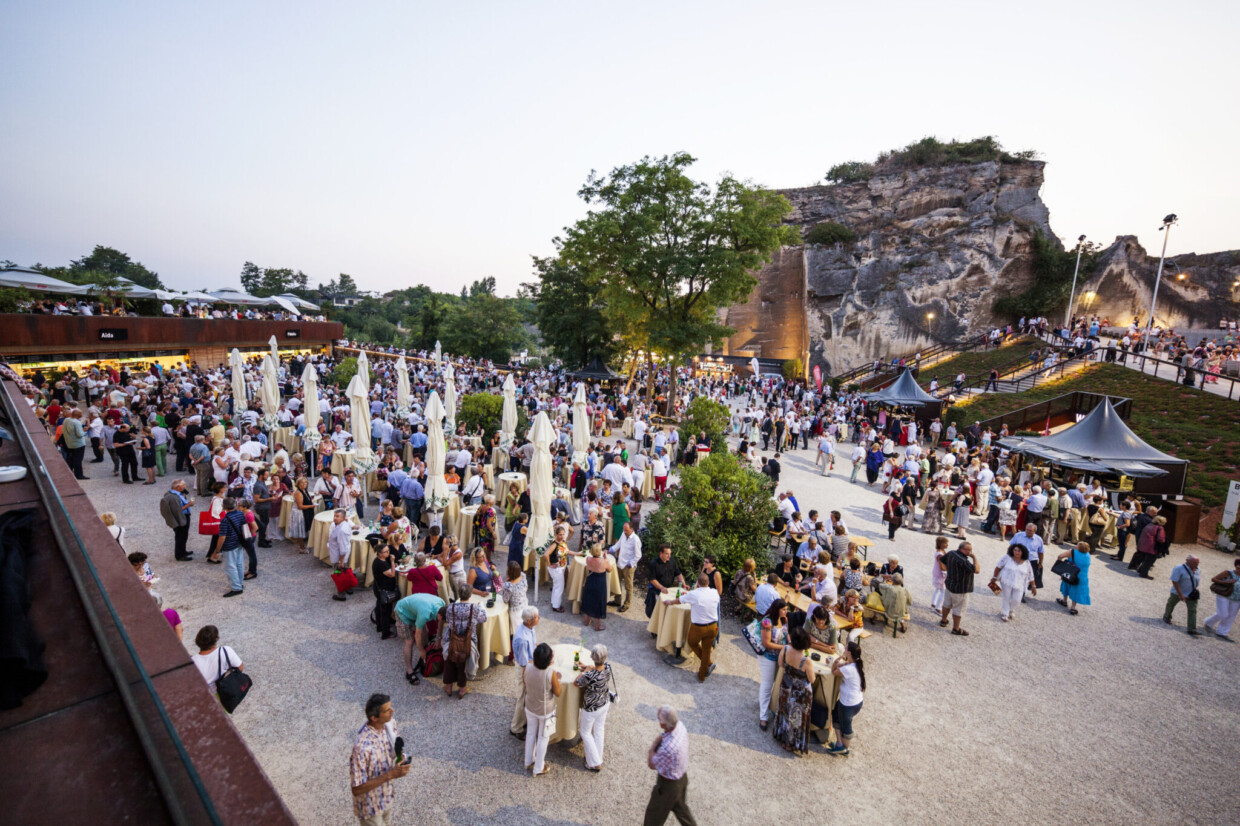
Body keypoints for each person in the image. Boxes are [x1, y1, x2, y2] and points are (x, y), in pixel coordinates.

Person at [349, 693, 410, 826]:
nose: (392, 711)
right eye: (387, 710)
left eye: (391, 707)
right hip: (371, 809)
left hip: (387, 798)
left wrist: (402, 760)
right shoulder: (362, 748)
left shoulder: (389, 726)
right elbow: (356, 789)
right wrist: (390, 775)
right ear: (374, 718)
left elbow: (396, 746)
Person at [643, 706, 697, 826]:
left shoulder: (668, 748)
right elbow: (664, 735)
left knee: (653, 816)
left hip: (668, 786)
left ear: (663, 724)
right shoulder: (680, 726)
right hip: (682, 779)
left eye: (659, 719)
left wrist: (652, 747)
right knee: (682, 811)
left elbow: (651, 764)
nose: (658, 721)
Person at [772, 625, 815, 755]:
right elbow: (812, 679)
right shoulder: (806, 660)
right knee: (797, 718)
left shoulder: (785, 649)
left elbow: (780, 665)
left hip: (786, 686)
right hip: (800, 693)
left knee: (785, 712)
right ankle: (792, 743)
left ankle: (783, 739)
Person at [670, 573, 720, 682]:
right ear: (709, 583)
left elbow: (679, 600)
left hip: (698, 627)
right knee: (707, 650)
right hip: (713, 627)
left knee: (692, 643)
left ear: (697, 583)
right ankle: (702, 675)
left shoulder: (694, 594)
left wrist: (670, 602)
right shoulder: (714, 593)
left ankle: (708, 664)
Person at [523, 643, 562, 777]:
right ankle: (538, 767)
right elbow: (558, 693)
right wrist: (558, 680)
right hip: (545, 711)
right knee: (543, 737)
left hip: (530, 706)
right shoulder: (550, 673)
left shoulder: (527, 666)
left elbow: (525, 682)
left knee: (530, 733)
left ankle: (528, 761)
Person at [440, 579, 484, 697]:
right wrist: (481, 607)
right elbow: (483, 618)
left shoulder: (451, 607)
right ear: (470, 595)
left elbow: (448, 620)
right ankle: (462, 689)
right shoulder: (474, 608)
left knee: (450, 660)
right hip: (468, 640)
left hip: (452, 638)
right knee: (463, 661)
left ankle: (448, 686)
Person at [575, 644, 614, 772]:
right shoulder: (608, 667)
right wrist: (588, 667)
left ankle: (595, 763)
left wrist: (585, 670)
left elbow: (577, 683)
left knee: (585, 732)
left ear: (592, 657)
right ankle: (597, 757)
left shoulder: (589, 676)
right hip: (604, 702)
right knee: (599, 729)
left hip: (591, 707)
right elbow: (597, 669)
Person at [394, 592, 444, 685]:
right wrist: (421, 650)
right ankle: (409, 671)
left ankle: (424, 660)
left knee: (425, 634)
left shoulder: (442, 604)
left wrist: (438, 639)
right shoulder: (425, 613)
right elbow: (417, 635)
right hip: (402, 611)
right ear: (439, 615)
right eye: (442, 619)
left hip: (416, 610)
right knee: (410, 641)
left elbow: (441, 622)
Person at [826, 641, 865, 756]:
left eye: (845, 648)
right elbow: (844, 664)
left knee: (846, 726)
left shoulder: (849, 669)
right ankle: (839, 743)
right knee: (836, 715)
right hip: (855, 701)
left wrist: (835, 663)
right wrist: (838, 663)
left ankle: (844, 748)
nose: (844, 649)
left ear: (849, 652)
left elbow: (834, 671)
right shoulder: (854, 664)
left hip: (848, 703)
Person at [757, 599, 789, 731]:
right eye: (784, 609)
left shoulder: (784, 620)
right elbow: (766, 643)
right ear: (777, 609)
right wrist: (785, 647)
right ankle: (763, 716)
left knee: (775, 683)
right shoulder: (767, 622)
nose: (786, 612)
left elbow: (786, 635)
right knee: (767, 684)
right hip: (768, 657)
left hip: (779, 657)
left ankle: (766, 706)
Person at [509, 606, 539, 737]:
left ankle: (525, 720)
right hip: (524, 669)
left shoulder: (529, 628)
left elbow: (533, 645)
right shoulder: (522, 638)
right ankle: (516, 728)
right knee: (522, 698)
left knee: (527, 697)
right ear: (530, 620)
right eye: (537, 617)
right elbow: (524, 664)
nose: (539, 618)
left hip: (529, 666)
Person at [190, 624, 242, 698]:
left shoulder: (192, 661)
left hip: (204, 697)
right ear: (216, 639)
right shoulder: (225, 651)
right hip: (223, 695)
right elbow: (240, 668)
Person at [938, 541, 978, 636]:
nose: (970, 552)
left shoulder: (951, 553)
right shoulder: (963, 561)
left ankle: (943, 620)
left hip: (949, 584)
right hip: (961, 589)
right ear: (962, 549)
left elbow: (942, 560)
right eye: (969, 550)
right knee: (958, 609)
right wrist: (975, 558)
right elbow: (976, 570)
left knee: (946, 604)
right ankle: (956, 629)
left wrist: (951, 570)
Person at [992, 545, 1035, 621]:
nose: (1016, 552)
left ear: (1023, 552)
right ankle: (1005, 613)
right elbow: (998, 567)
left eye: (1019, 551)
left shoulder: (1027, 562)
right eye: (1015, 550)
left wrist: (1033, 586)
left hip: (1020, 583)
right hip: (1006, 580)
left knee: (1017, 600)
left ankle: (1011, 609)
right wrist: (994, 578)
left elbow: (1030, 575)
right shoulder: (1007, 558)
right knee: (1006, 597)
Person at [1163, 554, 1203, 636]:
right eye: (1194, 562)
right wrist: (1181, 594)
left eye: (1197, 562)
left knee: (1193, 610)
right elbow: (1175, 581)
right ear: (1187, 561)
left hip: (1191, 593)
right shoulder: (1179, 568)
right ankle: (1167, 616)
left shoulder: (1198, 570)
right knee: (1171, 604)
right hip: (1177, 592)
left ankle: (1191, 629)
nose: (1196, 564)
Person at [1203, 558, 1240, 639]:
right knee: (1223, 614)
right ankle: (1208, 622)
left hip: (1237, 599)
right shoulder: (1228, 572)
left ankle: (1222, 632)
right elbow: (1213, 579)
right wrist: (1227, 582)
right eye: (1238, 567)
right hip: (1224, 595)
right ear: (1236, 566)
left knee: (1231, 616)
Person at [217, 498, 247, 598]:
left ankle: (236, 587)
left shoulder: (225, 520)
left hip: (229, 545)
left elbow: (222, 537)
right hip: (239, 543)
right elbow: (244, 528)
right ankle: (240, 583)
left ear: (224, 507)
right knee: (239, 564)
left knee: (230, 567)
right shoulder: (240, 514)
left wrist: (217, 550)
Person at [646, 543, 686, 618]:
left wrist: (684, 584)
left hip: (669, 591)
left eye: (670, 554)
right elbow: (652, 579)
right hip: (657, 592)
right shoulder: (653, 563)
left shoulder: (672, 561)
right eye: (667, 554)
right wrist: (661, 588)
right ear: (661, 553)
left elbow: (678, 573)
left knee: (666, 613)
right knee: (655, 613)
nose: (669, 556)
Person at [609, 520, 642, 612]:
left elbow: (638, 555)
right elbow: (618, 544)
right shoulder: (623, 534)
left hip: (628, 566)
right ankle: (617, 600)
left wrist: (630, 563)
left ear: (631, 529)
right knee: (617, 582)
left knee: (628, 586)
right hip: (620, 563)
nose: (624, 532)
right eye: (624, 530)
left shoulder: (636, 540)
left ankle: (627, 604)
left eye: (626, 530)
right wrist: (610, 550)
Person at [159, 479, 194, 561]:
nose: (185, 487)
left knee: (184, 535)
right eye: (183, 485)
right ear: (178, 487)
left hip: (182, 517)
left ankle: (183, 551)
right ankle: (179, 555)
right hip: (180, 518)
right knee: (180, 536)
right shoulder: (173, 497)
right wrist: (188, 504)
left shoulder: (174, 494)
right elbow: (177, 510)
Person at [580, 545, 613, 631]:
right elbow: (610, 570)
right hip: (599, 583)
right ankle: (597, 626)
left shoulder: (588, 559)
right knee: (598, 602)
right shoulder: (604, 561)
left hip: (590, 581)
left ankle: (586, 621)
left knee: (588, 600)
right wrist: (606, 559)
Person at [1054, 541, 1092, 615]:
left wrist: (1060, 565)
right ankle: (1073, 608)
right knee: (1076, 590)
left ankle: (1064, 601)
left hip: (1070, 572)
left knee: (1066, 585)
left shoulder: (1072, 552)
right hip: (1082, 576)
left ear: (1078, 547)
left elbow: (1060, 556)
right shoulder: (1088, 555)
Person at [372, 543, 399, 639]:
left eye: (388, 551)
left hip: (380, 588)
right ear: (380, 553)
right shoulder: (380, 563)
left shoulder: (381, 560)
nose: (388, 553)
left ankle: (379, 626)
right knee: (385, 611)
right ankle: (385, 632)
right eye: (386, 552)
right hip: (384, 590)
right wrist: (392, 562)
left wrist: (392, 565)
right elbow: (391, 574)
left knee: (380, 607)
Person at [328, 509, 355, 602]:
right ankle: (348, 588)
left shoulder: (341, 530)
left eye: (337, 516)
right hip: (340, 555)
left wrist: (340, 561)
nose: (335, 518)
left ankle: (341, 594)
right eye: (334, 516)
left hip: (339, 557)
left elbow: (342, 548)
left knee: (339, 573)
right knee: (344, 572)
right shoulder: (343, 525)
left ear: (343, 518)